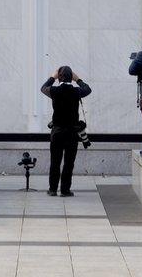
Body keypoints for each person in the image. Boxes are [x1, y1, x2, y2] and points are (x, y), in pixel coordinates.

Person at [40, 65, 91, 197]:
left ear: (59, 77)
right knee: (69, 162)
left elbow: (43, 88)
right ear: (71, 77)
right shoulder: (76, 91)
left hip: (57, 131)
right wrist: (78, 79)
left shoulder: (54, 91)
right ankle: (65, 190)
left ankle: (52, 189)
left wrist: (52, 77)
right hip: (72, 132)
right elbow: (88, 89)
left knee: (55, 162)